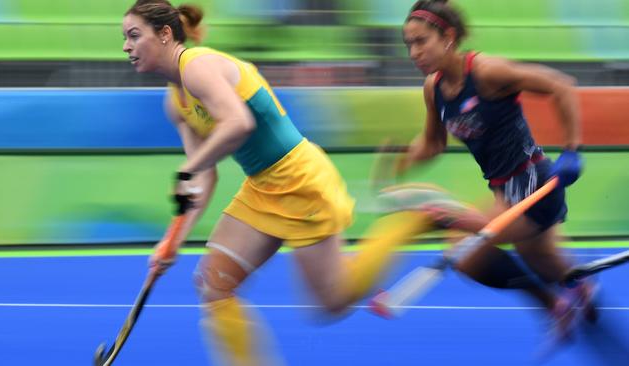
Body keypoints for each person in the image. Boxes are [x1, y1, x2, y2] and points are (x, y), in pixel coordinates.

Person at [122, 1, 440, 364]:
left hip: (298, 177)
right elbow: (205, 175)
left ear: (165, 35)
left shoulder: (199, 66)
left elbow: (238, 124)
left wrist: (188, 168)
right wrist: (172, 240)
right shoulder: (174, 101)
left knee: (333, 302)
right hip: (262, 185)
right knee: (214, 284)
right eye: (124, 38)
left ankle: (413, 218)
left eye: (134, 35)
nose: (126, 46)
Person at [390, 0, 596, 333]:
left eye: (421, 41)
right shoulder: (433, 89)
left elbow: (560, 85)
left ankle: (553, 305)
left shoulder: (486, 71)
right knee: (550, 266)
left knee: (461, 246)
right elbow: (432, 144)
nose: (414, 52)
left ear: (449, 37)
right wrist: (404, 156)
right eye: (408, 44)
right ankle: (577, 288)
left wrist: (572, 150)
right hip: (503, 191)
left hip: (535, 187)